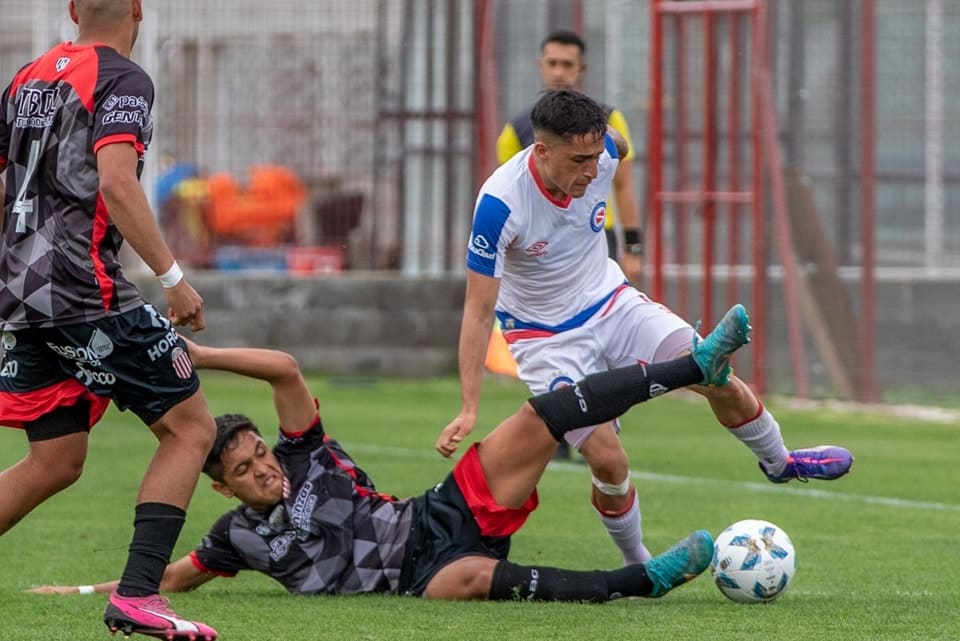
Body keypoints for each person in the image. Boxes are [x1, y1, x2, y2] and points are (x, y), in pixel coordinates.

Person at [27, 303, 752, 606]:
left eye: (259, 453)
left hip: (436, 511)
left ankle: (697, 364)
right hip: (422, 575)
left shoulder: (304, 450)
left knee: (542, 416)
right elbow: (170, 579)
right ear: (219, 488)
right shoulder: (234, 538)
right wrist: (85, 593)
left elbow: (284, 367)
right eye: (245, 470)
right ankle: (642, 581)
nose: (263, 468)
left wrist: (200, 356)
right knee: (471, 582)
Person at [437, 89, 853, 571]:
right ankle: (641, 564)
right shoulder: (499, 205)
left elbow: (619, 146)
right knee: (609, 462)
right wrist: (469, 407)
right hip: (544, 340)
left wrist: (611, 179)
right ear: (542, 150)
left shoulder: (606, 151)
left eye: (596, 157)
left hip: (613, 303)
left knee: (713, 370)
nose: (593, 172)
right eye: (579, 160)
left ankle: (780, 462)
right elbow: (477, 309)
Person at [0, 1, 217, 639]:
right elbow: (118, 184)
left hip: (21, 295)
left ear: (71, 8)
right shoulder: (123, 79)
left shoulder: (26, 78)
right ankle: (140, 596)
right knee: (191, 429)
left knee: (55, 459)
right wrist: (174, 281)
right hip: (83, 291)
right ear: (138, 8)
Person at [495, 30, 642, 461]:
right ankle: (564, 427)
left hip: (598, 240)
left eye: (568, 64)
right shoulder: (518, 128)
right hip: (543, 251)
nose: (559, 71)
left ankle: (598, 427)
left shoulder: (608, 121)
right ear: (541, 66)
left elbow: (627, 186)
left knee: (600, 341)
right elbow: (507, 192)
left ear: (582, 71)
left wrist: (633, 244)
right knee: (558, 339)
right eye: (552, 63)